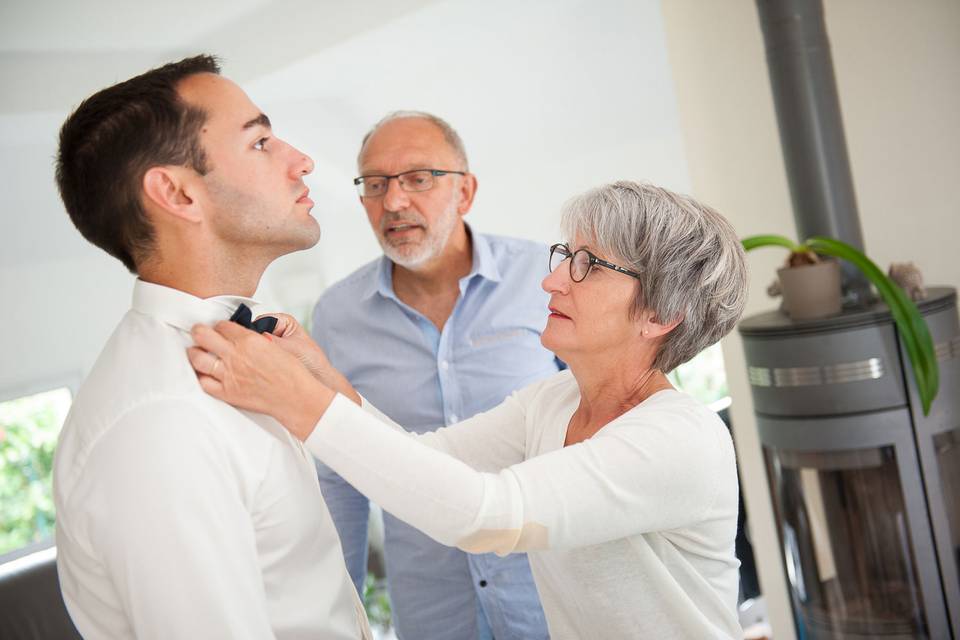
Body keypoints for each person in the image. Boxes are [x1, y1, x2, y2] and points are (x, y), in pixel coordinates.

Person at [189, 180, 749, 638]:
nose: (553, 280)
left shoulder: (677, 440)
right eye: (564, 256)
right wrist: (324, 380)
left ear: (659, 315)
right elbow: (421, 459)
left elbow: (487, 516)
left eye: (590, 266)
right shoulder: (552, 401)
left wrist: (295, 398)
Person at [53, 55, 370, 639]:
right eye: (260, 142)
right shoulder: (160, 423)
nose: (302, 161)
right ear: (176, 192)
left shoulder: (244, 347)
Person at [312, 111, 554, 640]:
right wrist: (340, 623)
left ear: (465, 192)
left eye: (419, 178)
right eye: (375, 185)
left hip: (551, 594)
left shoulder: (544, 278)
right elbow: (339, 476)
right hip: (433, 610)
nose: (394, 202)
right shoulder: (336, 316)